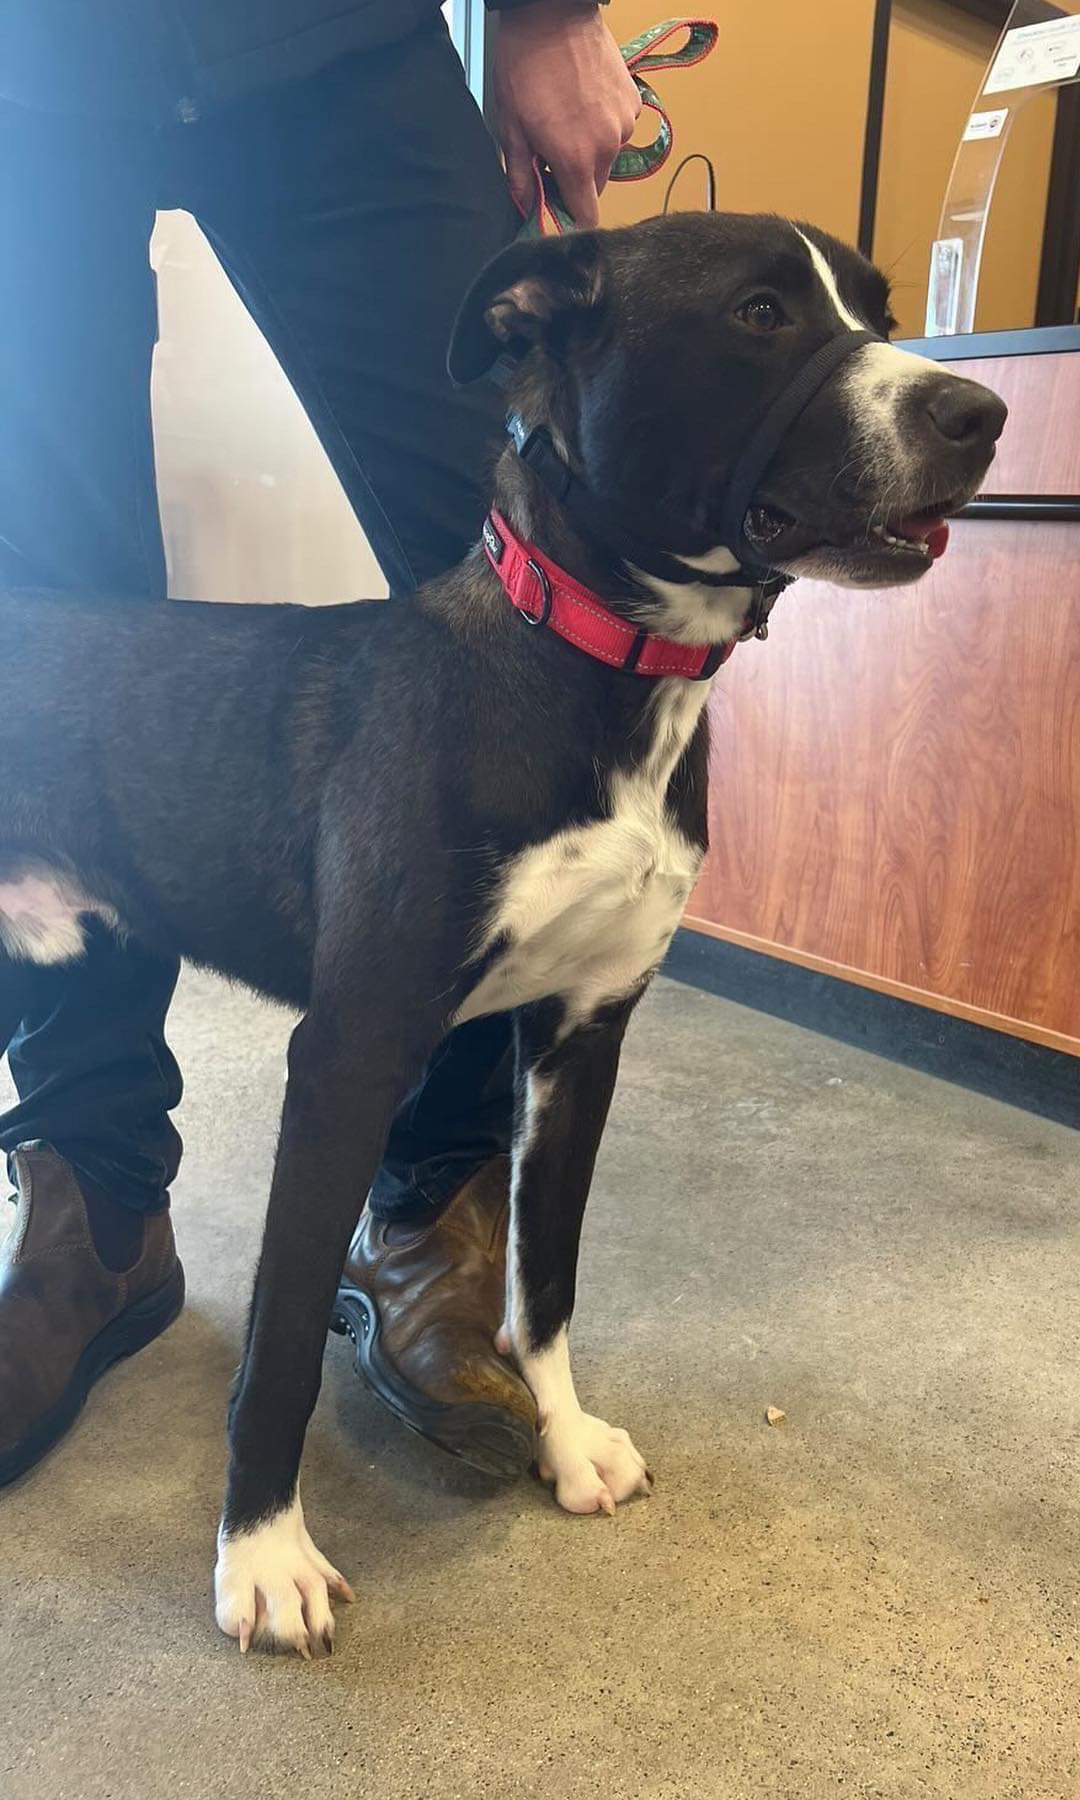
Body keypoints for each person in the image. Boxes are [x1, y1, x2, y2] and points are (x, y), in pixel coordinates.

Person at [0, 0, 642, 1488]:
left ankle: (430, 1194)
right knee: (40, 613)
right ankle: (95, 1203)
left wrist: (546, 13)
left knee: (504, 527)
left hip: (329, 34)